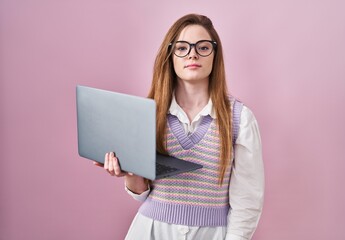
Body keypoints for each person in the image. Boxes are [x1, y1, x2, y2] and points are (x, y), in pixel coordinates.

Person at [94, 13, 264, 240]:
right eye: (182, 48)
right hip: (150, 231)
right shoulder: (148, 113)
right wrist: (129, 172)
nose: (192, 54)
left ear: (215, 55)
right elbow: (141, 194)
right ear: (171, 55)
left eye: (203, 47)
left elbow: (248, 200)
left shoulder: (240, 118)